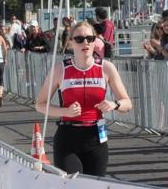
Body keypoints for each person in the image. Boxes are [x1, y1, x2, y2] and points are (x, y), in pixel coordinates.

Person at [34, 20, 132, 177]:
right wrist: (64, 111)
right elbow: (39, 104)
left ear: (95, 41)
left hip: (96, 137)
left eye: (90, 38)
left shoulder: (106, 68)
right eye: (79, 39)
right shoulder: (61, 69)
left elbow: (127, 103)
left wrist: (114, 104)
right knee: (74, 186)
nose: (85, 42)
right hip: (68, 137)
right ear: (71, 42)